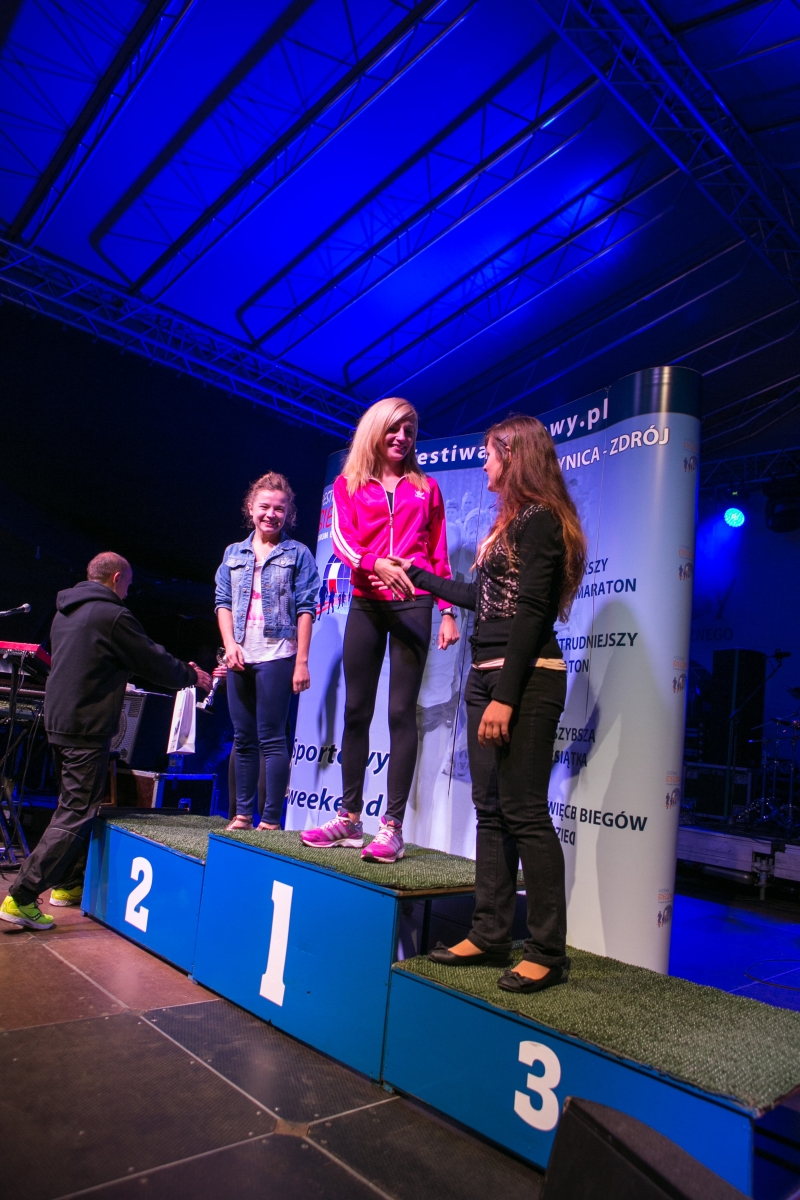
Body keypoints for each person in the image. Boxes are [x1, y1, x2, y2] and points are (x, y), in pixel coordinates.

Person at [389, 415, 586, 993]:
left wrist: (506, 695)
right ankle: (490, 931)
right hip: (485, 676)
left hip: (525, 681)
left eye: (490, 455)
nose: (483, 464)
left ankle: (547, 951)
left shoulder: (542, 519)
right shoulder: (512, 522)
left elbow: (532, 613)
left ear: (514, 456)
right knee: (492, 809)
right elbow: (483, 597)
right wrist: (419, 576)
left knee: (524, 812)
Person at [0, 553, 212, 931]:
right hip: (86, 727)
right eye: (128, 584)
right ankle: (22, 895)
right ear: (116, 579)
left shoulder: (65, 611)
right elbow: (151, 660)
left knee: (73, 805)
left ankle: (67, 884)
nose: (128, 591)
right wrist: (190, 675)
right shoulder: (112, 615)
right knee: (77, 811)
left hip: (60, 721)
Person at [301, 397, 459, 864]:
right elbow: (343, 541)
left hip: (414, 602)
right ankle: (350, 818)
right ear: (376, 430)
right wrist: (374, 564)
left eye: (409, 431)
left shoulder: (426, 488)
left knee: (400, 712)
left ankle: (391, 827)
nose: (402, 438)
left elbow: (439, 551)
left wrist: (448, 609)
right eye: (394, 429)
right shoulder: (349, 484)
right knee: (356, 710)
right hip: (368, 601)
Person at [215, 472, 320, 832]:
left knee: (272, 738)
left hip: (278, 654)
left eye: (279, 508)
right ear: (251, 508)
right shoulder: (233, 553)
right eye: (264, 507)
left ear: (288, 513)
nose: (271, 514)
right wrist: (230, 645)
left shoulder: (298, 554)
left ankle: (271, 819)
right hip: (240, 656)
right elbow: (223, 602)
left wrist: (301, 662)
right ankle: (243, 815)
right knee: (242, 738)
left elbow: (306, 609)